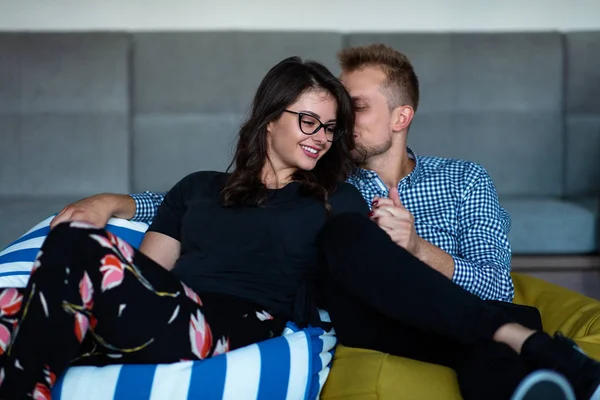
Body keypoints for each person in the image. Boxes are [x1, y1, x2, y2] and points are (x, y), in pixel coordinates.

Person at [34, 46, 600, 400]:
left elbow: (466, 282)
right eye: (319, 118)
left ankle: (524, 360)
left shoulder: (411, 187)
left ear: (401, 117)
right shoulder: (258, 187)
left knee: (456, 332)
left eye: (344, 117)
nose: (330, 131)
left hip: (392, 304)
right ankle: (524, 342)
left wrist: (418, 249)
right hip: (276, 305)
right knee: (71, 246)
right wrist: (115, 201)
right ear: (272, 119)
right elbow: (191, 224)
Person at [0, 56, 370, 399]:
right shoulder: (198, 187)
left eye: (330, 128)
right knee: (16, 299)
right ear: (271, 118)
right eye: (309, 121)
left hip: (236, 320)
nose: (321, 137)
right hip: (165, 308)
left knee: (77, 247)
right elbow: (145, 274)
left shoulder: (336, 199)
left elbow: (356, 279)